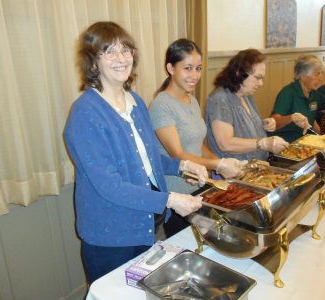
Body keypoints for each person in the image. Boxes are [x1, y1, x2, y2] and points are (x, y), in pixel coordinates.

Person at [63, 21, 207, 284]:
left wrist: (182, 166)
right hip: (110, 234)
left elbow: (150, 158)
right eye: (110, 51)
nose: (121, 58)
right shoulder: (85, 113)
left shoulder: (136, 102)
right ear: (93, 62)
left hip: (144, 225)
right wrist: (169, 199)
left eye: (126, 50)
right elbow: (110, 186)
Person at [149, 38, 245, 237]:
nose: (195, 75)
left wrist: (221, 162)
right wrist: (216, 165)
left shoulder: (190, 99)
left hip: (199, 186)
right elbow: (178, 155)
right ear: (170, 68)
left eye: (198, 68)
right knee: (193, 245)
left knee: (211, 240)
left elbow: (198, 144)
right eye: (188, 68)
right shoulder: (161, 105)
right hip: (179, 196)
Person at [205, 49, 288, 161]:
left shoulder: (245, 94)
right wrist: (262, 143)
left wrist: (263, 123)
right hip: (233, 172)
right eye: (257, 78)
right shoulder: (220, 98)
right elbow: (225, 144)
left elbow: (242, 125)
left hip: (256, 167)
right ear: (239, 73)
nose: (261, 84)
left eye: (262, 78)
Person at [271, 55, 325, 143]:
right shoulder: (288, 93)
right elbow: (274, 123)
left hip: (303, 141)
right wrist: (291, 117)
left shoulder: (314, 94)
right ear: (303, 76)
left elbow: (311, 120)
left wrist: (323, 137)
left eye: (321, 73)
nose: (321, 78)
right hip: (284, 144)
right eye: (317, 74)